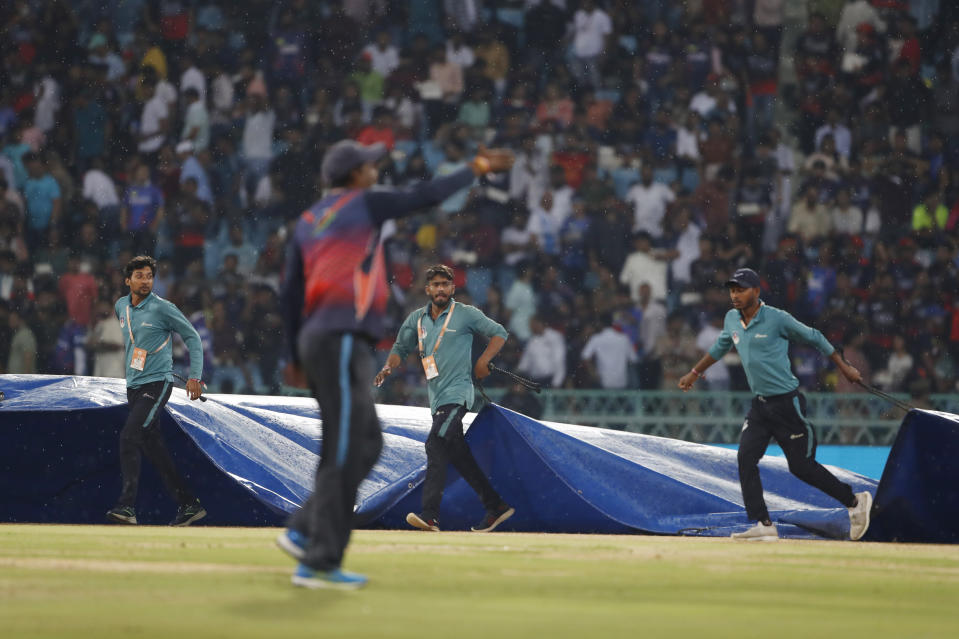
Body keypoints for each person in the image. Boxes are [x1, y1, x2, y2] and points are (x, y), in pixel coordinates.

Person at [277, 140, 513, 590]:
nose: (374, 170)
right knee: (358, 446)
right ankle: (314, 547)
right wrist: (475, 167)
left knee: (349, 446)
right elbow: (423, 196)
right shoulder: (362, 204)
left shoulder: (307, 220)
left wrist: (292, 355)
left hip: (317, 339)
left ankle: (309, 537)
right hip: (342, 337)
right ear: (354, 173)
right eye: (368, 165)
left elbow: (289, 292)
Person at [678, 268, 873, 541]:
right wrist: (695, 373)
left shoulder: (777, 318)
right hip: (760, 406)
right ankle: (764, 524)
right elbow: (721, 346)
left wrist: (845, 368)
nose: (734, 294)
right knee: (745, 458)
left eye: (741, 289)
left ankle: (854, 502)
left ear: (756, 292)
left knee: (801, 467)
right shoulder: (732, 319)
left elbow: (814, 336)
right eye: (732, 289)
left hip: (786, 404)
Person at [376, 264, 513, 535]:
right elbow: (400, 347)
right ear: (427, 289)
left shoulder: (465, 314)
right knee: (458, 455)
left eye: (445, 284)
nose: (440, 289)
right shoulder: (416, 319)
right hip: (437, 399)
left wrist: (484, 360)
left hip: (458, 393)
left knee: (435, 442)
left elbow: (500, 332)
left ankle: (430, 515)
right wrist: (389, 366)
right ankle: (495, 506)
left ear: (453, 288)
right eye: (435, 284)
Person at [106, 256, 207, 527]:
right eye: (139, 275)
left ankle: (126, 506)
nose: (145, 280)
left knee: (130, 436)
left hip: (158, 383)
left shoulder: (163, 308)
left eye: (149, 275)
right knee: (154, 449)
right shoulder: (120, 306)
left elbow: (193, 338)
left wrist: (195, 376)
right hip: (134, 387)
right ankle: (188, 504)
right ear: (128, 281)